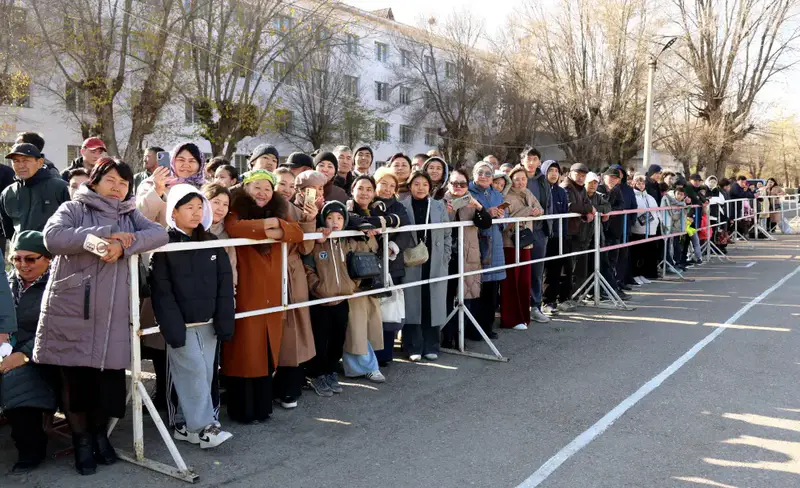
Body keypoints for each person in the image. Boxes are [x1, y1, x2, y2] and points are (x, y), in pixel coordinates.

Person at [35, 158, 168, 475]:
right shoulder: (74, 207)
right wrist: (104, 235)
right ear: (94, 181)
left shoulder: (129, 213)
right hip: (73, 309)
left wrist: (125, 247)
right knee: (77, 383)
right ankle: (82, 441)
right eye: (111, 180)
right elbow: (52, 238)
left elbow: (160, 234)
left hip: (111, 312)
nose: (117, 187)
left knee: (107, 383)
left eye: (123, 183)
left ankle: (99, 436)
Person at [150, 185, 235, 449]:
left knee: (206, 372)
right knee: (192, 372)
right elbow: (161, 292)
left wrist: (224, 320)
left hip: (208, 322)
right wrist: (172, 327)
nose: (196, 213)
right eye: (189, 208)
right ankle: (204, 427)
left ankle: (188, 425)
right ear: (173, 212)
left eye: (200, 207)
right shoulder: (163, 245)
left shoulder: (211, 241)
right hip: (182, 324)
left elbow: (224, 283)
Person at [223, 169, 303, 423]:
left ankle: (262, 406)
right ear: (246, 189)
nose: (262, 193)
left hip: (271, 294)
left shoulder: (280, 211)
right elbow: (235, 228)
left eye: (267, 189)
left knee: (266, 351)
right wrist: (276, 228)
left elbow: (297, 233)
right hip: (247, 291)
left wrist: (275, 225)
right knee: (245, 351)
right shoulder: (235, 209)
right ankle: (243, 410)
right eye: (257, 187)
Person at [1, 231, 58, 474]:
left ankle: (31, 448)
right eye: (17, 259)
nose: (22, 265)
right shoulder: (7, 283)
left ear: (47, 259)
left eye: (31, 259)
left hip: (43, 355)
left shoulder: (57, 286)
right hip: (8, 351)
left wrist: (22, 354)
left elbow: (55, 329)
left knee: (18, 381)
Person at [303, 201, 361, 394]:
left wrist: (352, 285)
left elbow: (357, 266)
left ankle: (330, 371)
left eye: (339, 218)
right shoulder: (317, 241)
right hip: (321, 301)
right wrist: (317, 287)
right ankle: (316, 374)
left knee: (338, 338)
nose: (334, 222)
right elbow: (308, 267)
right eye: (329, 218)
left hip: (342, 299)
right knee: (320, 340)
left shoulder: (346, 241)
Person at [273, 170, 319, 408]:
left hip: (293, 273)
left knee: (294, 331)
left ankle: (290, 387)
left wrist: (309, 221)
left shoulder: (299, 211)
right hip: (269, 273)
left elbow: (306, 248)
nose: (287, 189)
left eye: (291, 185)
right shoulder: (262, 208)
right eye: (282, 183)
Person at [400, 171, 451, 360]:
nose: (420, 188)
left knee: (432, 302)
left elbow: (447, 233)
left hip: (435, 260)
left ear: (430, 187)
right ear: (410, 186)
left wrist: (445, 256)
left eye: (424, 184)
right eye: (416, 184)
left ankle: (432, 345)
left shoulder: (438, 206)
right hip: (411, 260)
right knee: (412, 302)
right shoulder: (402, 206)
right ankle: (413, 346)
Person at [440, 168, 491, 344]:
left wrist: (478, 206)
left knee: (467, 295)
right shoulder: (440, 200)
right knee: (446, 296)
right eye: (454, 183)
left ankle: (462, 333)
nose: (458, 187)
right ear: (448, 184)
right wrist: (444, 210)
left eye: (462, 184)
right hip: (447, 255)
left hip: (468, 254)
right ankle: (447, 336)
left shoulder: (471, 200)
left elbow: (486, 223)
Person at [343, 176, 386, 382]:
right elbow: (348, 220)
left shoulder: (377, 211)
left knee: (368, 320)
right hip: (353, 273)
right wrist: (364, 225)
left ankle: (365, 364)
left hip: (371, 272)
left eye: (369, 189)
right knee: (356, 322)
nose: (365, 193)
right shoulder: (346, 210)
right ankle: (364, 366)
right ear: (352, 190)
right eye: (360, 188)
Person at [371, 168, 413, 365]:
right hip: (368, 264)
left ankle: (385, 354)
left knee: (388, 309)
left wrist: (391, 248)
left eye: (392, 186)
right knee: (370, 310)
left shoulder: (398, 207)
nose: (387, 189)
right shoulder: (367, 204)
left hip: (392, 264)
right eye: (383, 184)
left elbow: (405, 231)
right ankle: (369, 354)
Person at [501, 166, 542, 330]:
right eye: (516, 179)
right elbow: (505, 220)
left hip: (526, 242)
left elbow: (540, 209)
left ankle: (524, 316)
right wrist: (527, 211)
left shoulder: (529, 193)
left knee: (525, 280)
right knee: (511, 281)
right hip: (510, 243)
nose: (520, 182)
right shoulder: (505, 195)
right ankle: (510, 318)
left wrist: (536, 211)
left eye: (523, 179)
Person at [1, 143, 70, 240]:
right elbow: (8, 230)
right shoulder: (8, 193)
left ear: (40, 162)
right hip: (20, 252)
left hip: (53, 251)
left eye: (26, 160)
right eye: (16, 161)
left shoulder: (60, 188)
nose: (21, 165)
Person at [468, 161, 506, 338]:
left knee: (492, 288)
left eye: (488, 173)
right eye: (480, 172)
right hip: (476, 242)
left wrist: (501, 217)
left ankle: (487, 327)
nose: (483, 176)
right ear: (473, 174)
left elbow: (505, 222)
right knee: (475, 286)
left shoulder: (497, 194)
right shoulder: (468, 192)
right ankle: (473, 328)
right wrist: (486, 213)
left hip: (495, 242)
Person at [137, 141, 206, 227]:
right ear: (172, 160)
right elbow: (141, 217)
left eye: (192, 161)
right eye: (181, 160)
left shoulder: (205, 187)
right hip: (163, 238)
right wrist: (157, 190)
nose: (186, 164)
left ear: (200, 165)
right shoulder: (151, 184)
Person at [521, 146, 551, 323]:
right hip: (520, 231)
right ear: (522, 160)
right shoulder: (517, 177)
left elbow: (548, 204)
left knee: (537, 271)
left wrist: (548, 227)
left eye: (534, 159)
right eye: (528, 159)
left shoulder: (542, 180)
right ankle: (519, 307)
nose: (531, 163)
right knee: (519, 270)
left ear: (539, 161)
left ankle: (535, 306)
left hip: (539, 231)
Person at [561, 163, 595, 305]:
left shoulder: (581, 189)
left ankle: (573, 295)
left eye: (583, 176)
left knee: (575, 267)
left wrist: (587, 210)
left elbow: (586, 203)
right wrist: (588, 209)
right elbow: (571, 206)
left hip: (577, 231)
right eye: (578, 175)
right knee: (566, 267)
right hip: (566, 231)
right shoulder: (567, 187)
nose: (581, 178)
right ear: (570, 173)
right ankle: (563, 298)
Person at [541, 160, 570, 314]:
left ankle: (552, 300)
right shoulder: (541, 189)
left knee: (556, 269)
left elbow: (564, 215)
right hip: (543, 234)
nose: (553, 173)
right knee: (543, 270)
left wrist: (563, 234)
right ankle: (543, 301)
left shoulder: (561, 192)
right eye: (550, 170)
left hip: (558, 236)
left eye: (556, 171)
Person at [631, 174, 661, 282]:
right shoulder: (633, 196)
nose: (641, 185)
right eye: (638, 182)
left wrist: (658, 220)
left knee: (647, 254)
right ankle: (635, 274)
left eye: (642, 183)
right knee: (637, 254)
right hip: (639, 230)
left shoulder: (650, 197)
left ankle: (644, 274)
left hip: (651, 230)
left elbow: (656, 210)